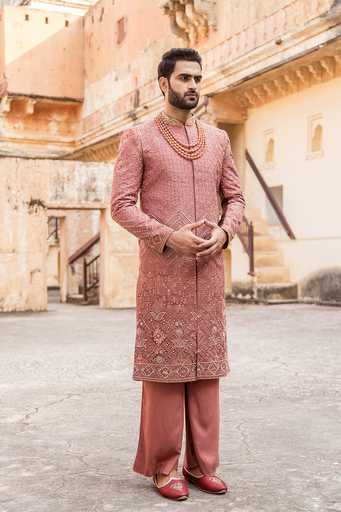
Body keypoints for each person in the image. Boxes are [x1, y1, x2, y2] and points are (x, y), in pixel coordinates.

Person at [110, 47, 245, 501]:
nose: (193, 86)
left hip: (207, 276)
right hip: (163, 274)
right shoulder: (139, 138)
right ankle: (164, 466)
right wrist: (169, 236)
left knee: (206, 369)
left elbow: (236, 198)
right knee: (166, 371)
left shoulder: (219, 140)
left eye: (198, 79)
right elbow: (121, 206)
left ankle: (201, 465)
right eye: (184, 78)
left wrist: (225, 235)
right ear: (163, 84)